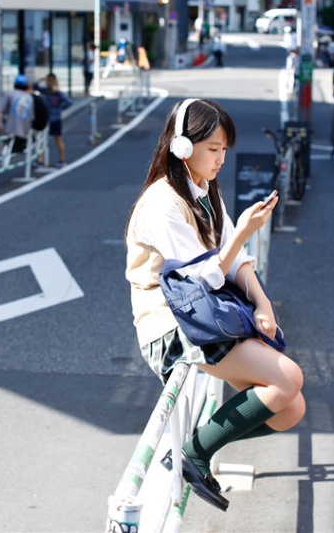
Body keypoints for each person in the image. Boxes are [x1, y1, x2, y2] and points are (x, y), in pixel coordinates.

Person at [124, 98, 305, 511]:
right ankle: (194, 454)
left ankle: (195, 448)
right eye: (213, 149)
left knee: (290, 410)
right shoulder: (163, 203)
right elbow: (195, 277)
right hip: (170, 325)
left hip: (204, 315)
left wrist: (264, 303)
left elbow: (233, 262)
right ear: (183, 147)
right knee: (287, 378)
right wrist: (241, 233)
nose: (221, 158)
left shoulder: (203, 190)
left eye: (225, 149)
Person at [38, 73, 72, 168]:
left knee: (57, 139)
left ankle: (62, 159)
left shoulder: (58, 93)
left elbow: (69, 102)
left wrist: (59, 109)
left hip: (55, 119)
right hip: (47, 118)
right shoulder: (46, 91)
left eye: (48, 80)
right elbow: (34, 86)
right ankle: (40, 159)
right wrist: (41, 79)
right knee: (42, 140)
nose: (47, 82)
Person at [0, 74, 34, 154]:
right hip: (24, 132)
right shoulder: (29, 98)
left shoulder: (9, 94)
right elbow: (31, 117)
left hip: (10, 130)